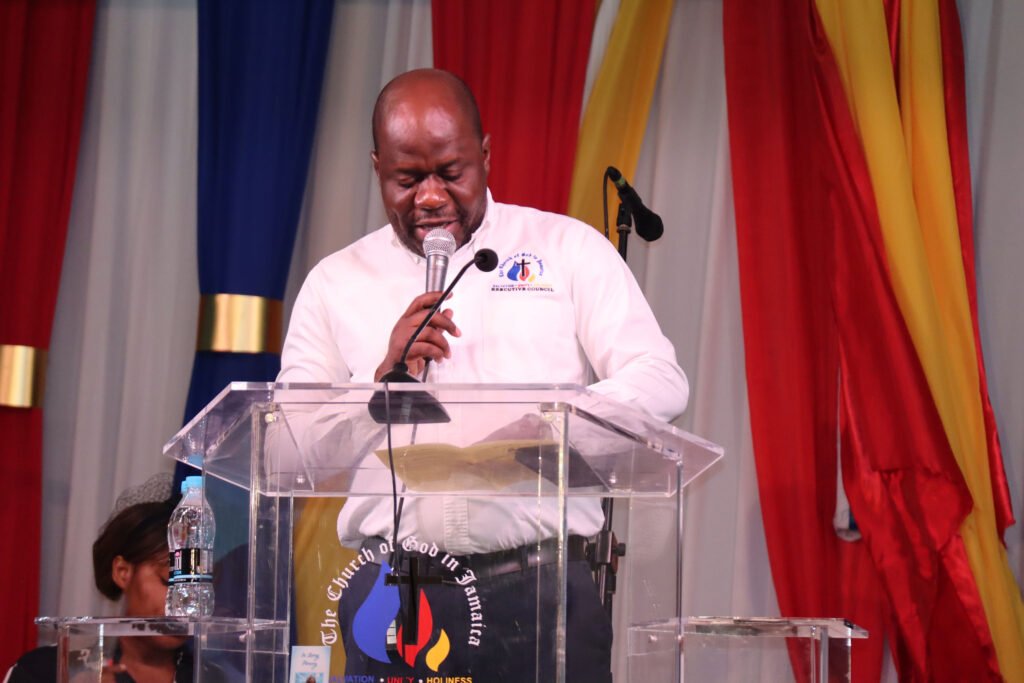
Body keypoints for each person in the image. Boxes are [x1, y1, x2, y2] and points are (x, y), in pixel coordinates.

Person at [277, 68, 688, 681]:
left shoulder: (565, 248)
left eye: (451, 172)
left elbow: (659, 378)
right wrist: (379, 383)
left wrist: (553, 427)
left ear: (486, 156)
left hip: (539, 590)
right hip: (394, 595)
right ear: (377, 168)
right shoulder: (335, 282)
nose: (431, 197)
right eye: (407, 179)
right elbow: (287, 448)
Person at [4, 475, 224, 683]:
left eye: (199, 588)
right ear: (122, 572)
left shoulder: (210, 678)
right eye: (168, 581)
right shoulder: (48, 670)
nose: (185, 603)